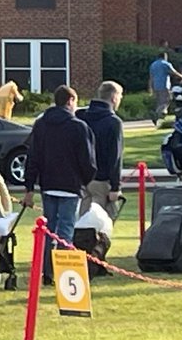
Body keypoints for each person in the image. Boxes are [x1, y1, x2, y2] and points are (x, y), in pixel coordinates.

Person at [22, 85, 95, 280]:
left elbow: (33, 157)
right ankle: (63, 273)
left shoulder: (41, 125)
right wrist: (85, 180)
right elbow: (87, 161)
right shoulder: (78, 127)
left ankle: (47, 271)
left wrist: (29, 187)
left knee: (48, 231)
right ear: (70, 101)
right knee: (65, 232)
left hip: (48, 184)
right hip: (70, 185)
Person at [78, 82, 124, 219]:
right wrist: (116, 186)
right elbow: (115, 157)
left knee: (83, 221)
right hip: (102, 179)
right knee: (104, 223)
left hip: (83, 178)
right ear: (114, 97)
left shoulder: (81, 116)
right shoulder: (113, 122)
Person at [149, 51, 182, 124]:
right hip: (164, 85)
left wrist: (150, 87)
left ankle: (160, 115)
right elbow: (174, 72)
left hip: (155, 86)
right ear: (165, 57)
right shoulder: (165, 64)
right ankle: (157, 114)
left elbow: (151, 77)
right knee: (167, 100)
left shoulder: (153, 65)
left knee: (159, 102)